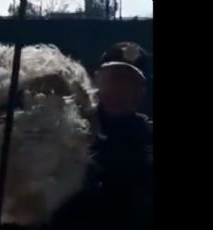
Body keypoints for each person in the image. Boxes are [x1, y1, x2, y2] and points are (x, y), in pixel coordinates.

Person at [46, 42, 153, 230]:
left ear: (141, 90)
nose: (119, 86)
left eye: (128, 81)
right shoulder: (67, 127)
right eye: (113, 77)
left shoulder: (149, 139)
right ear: (96, 80)